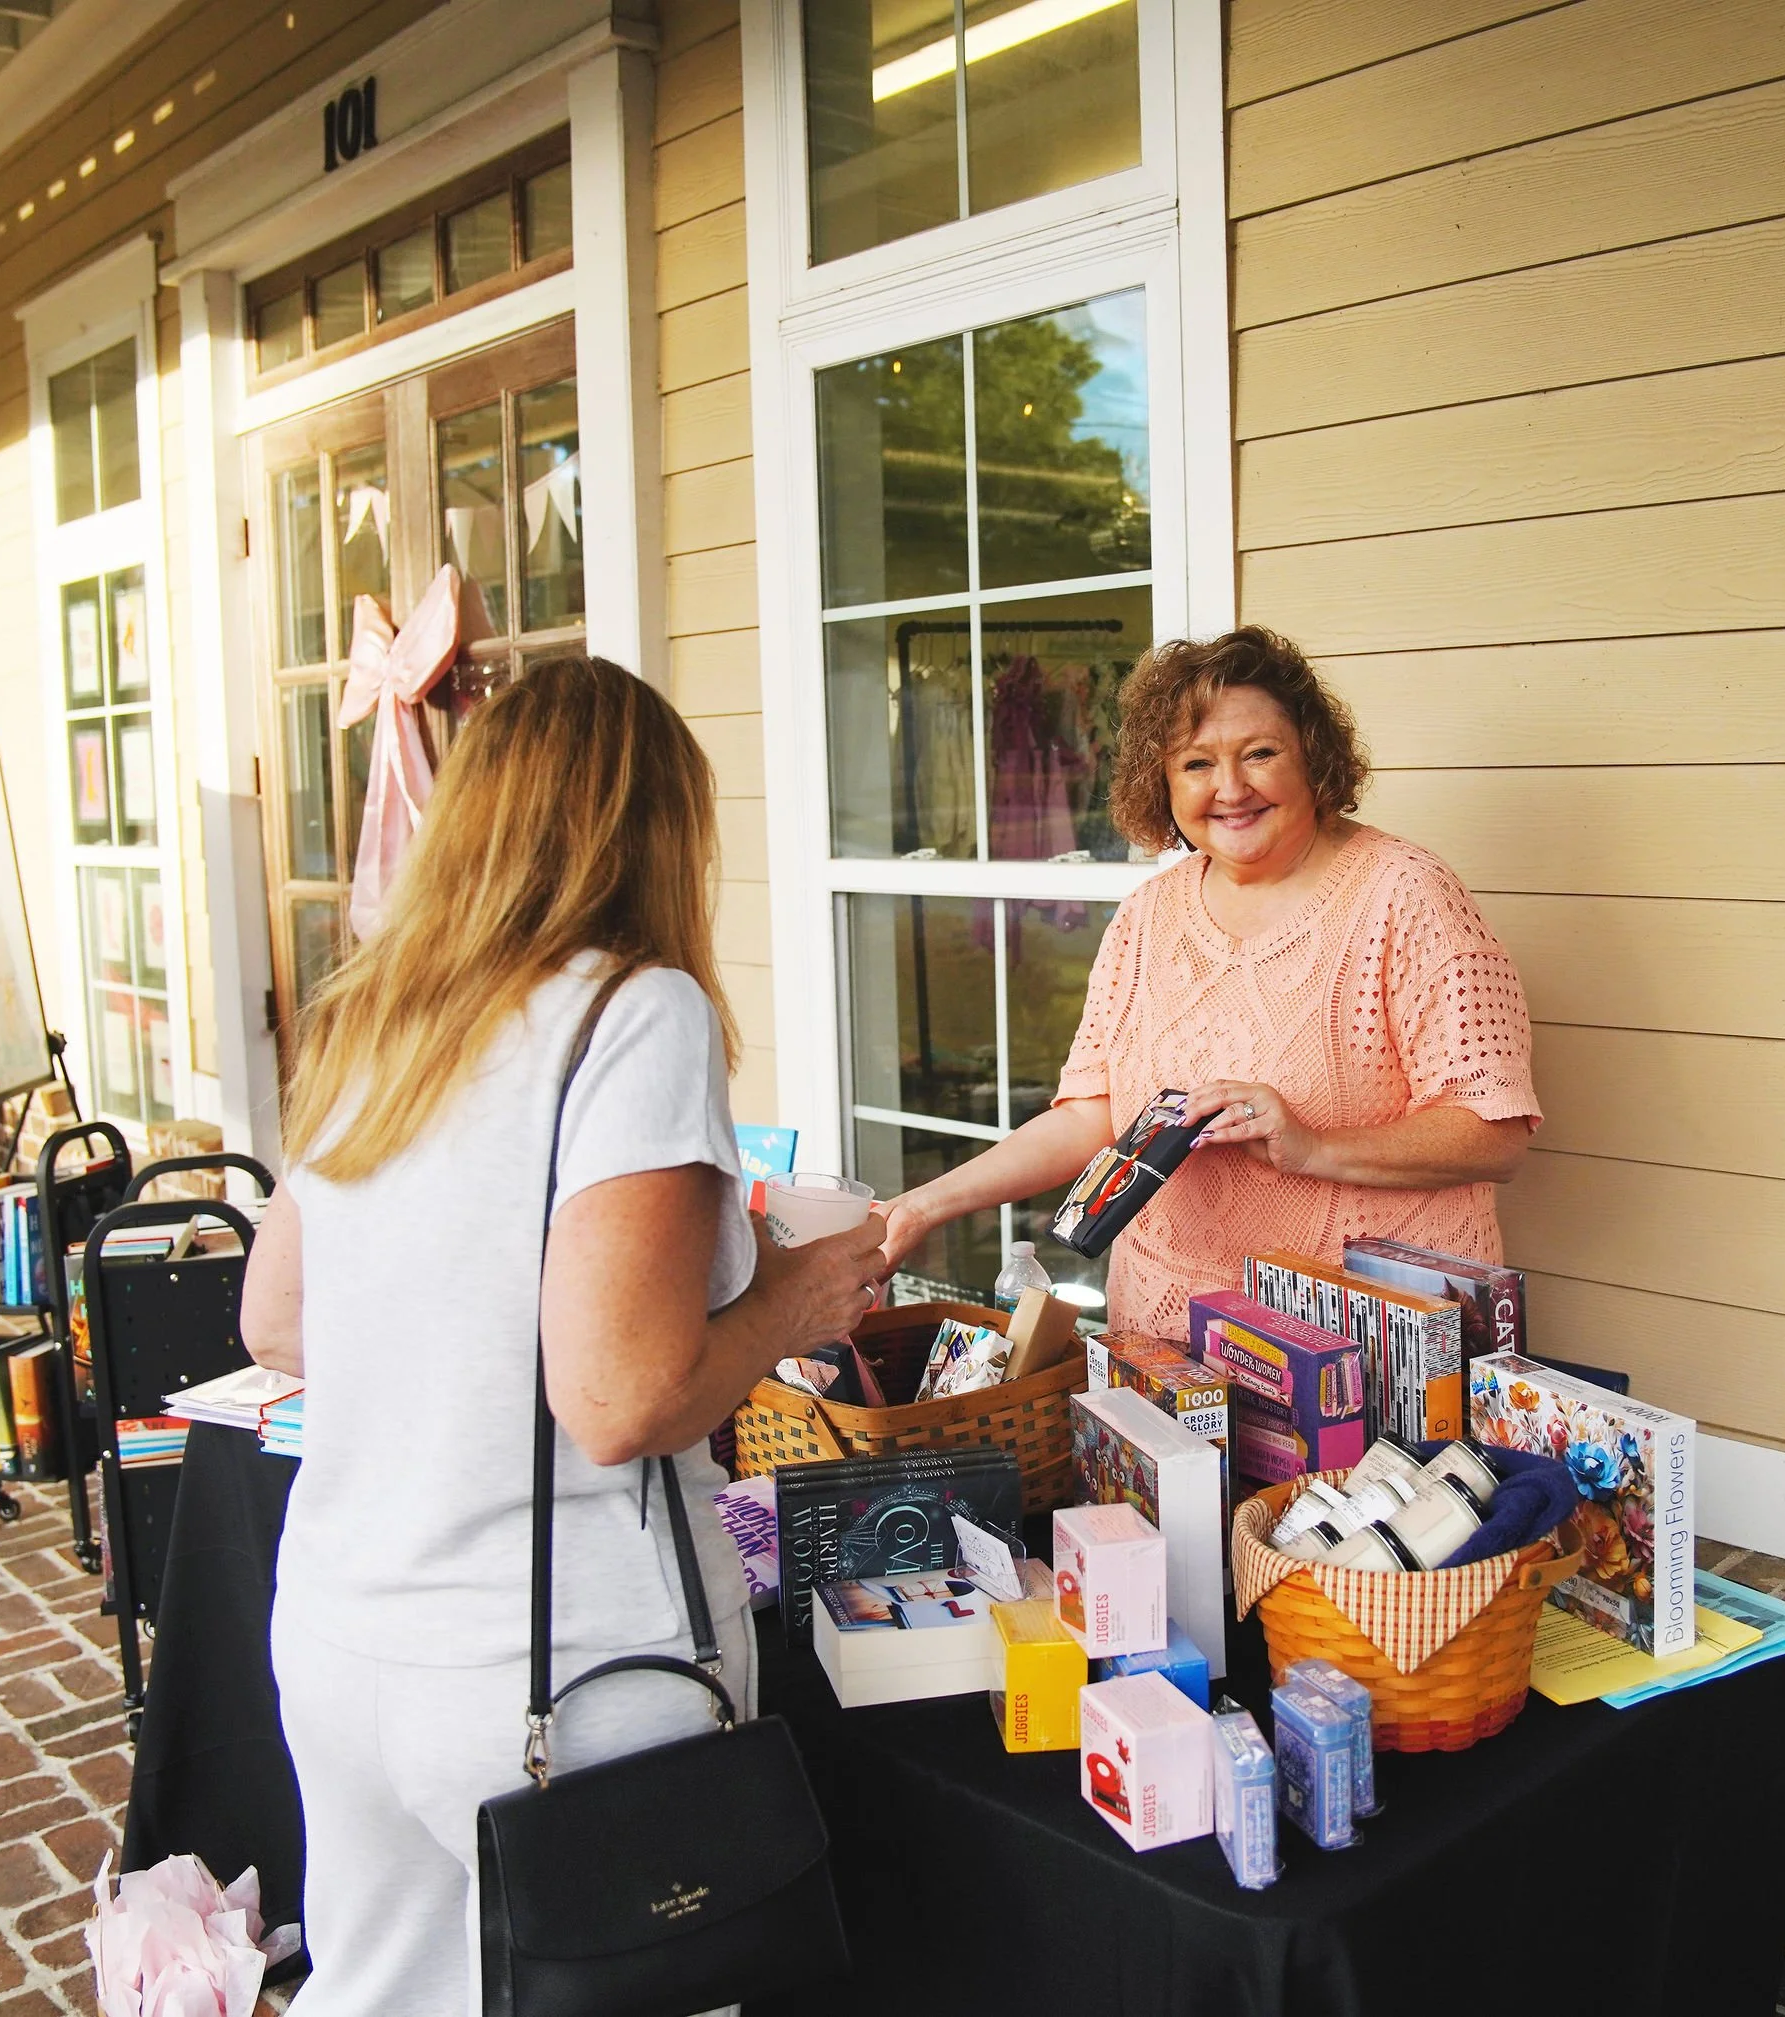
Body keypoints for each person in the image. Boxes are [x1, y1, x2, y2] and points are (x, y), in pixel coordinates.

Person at [238, 656, 886, 2017]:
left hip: (348, 1632)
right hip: (565, 1671)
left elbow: (279, 1314)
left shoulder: (381, 1014)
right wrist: (790, 1302)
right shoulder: (632, 1012)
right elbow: (617, 1397)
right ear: (651, 833)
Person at [879, 627, 1542, 1338]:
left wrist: (1313, 1145)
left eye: (1260, 753)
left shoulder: (1405, 894)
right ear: (1161, 783)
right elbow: (1090, 1116)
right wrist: (924, 1205)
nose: (1230, 789)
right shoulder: (1146, 916)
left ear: (1313, 757)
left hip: (1363, 1348)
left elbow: (1494, 1132)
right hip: (1168, 1334)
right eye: (1197, 763)